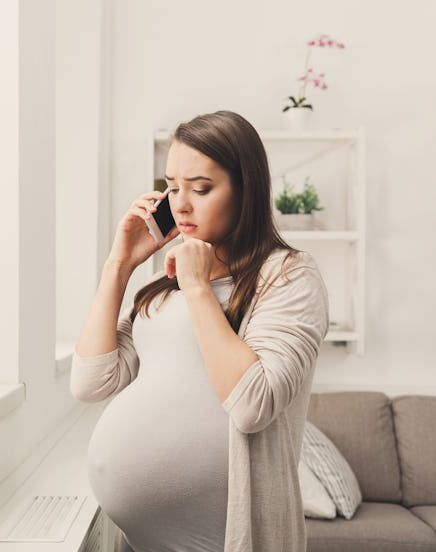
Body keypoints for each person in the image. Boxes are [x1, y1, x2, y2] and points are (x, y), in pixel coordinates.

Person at [70, 110, 329, 552]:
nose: (180, 204)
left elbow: (253, 403)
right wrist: (119, 265)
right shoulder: (165, 288)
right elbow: (92, 382)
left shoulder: (289, 276)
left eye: (201, 188)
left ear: (246, 189)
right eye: (171, 187)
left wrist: (197, 286)